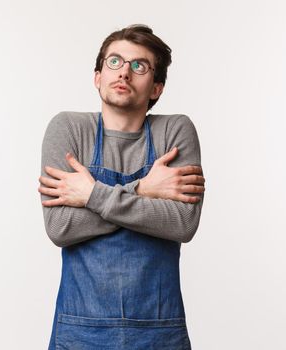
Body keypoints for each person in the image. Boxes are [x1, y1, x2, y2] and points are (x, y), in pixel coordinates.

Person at [38, 24, 205, 350]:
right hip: (80, 331)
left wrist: (90, 195)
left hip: (159, 331)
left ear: (156, 87)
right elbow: (61, 228)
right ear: (97, 76)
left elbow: (182, 223)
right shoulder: (69, 128)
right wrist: (144, 190)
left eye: (138, 65)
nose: (124, 73)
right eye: (114, 62)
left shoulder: (175, 130)